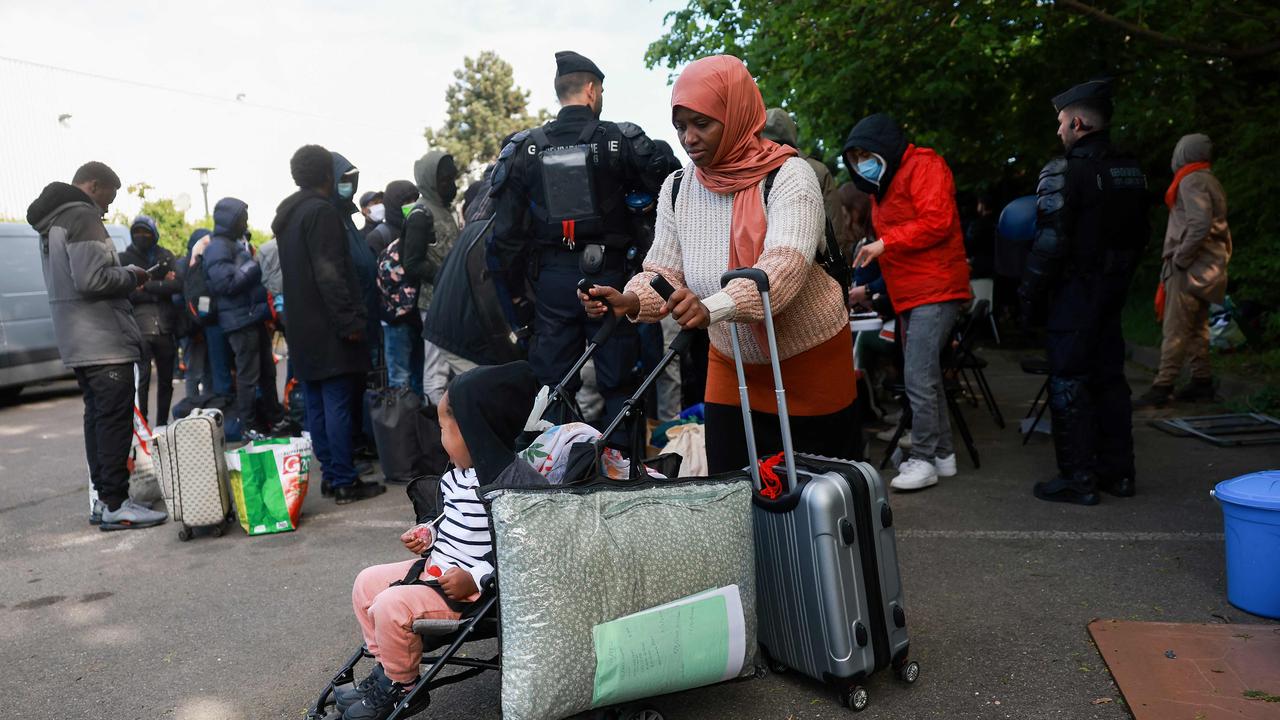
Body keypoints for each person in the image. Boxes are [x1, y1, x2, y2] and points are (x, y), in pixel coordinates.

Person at [582, 54, 860, 471]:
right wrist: (629, 301)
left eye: (702, 123)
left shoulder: (790, 175)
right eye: (680, 127)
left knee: (824, 504)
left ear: (736, 115)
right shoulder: (677, 188)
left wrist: (709, 307)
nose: (689, 138)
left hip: (809, 363)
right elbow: (663, 273)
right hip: (732, 365)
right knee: (733, 494)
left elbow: (783, 270)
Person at [339, 362, 540, 719]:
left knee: (389, 605)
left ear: (477, 433)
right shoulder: (458, 474)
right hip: (436, 567)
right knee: (365, 583)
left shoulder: (512, 486)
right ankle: (387, 669)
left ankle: (403, 685)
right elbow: (450, 517)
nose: (440, 438)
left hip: (469, 590)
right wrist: (429, 532)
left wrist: (476, 578)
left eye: (447, 430)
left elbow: (524, 550)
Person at [491, 50, 666, 430]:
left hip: (552, 282)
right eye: (600, 91)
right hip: (612, 277)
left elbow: (504, 238)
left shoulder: (525, 148)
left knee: (553, 386)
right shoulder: (621, 140)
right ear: (591, 90)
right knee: (620, 382)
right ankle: (622, 467)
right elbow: (670, 192)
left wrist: (520, 300)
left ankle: (562, 469)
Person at [1019, 79, 1150, 505]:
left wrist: (1029, 296)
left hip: (1074, 295)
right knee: (1110, 379)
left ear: (1078, 122)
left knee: (1069, 381)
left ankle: (1078, 478)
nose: (1058, 131)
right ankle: (1120, 474)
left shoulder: (1064, 171)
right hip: (1111, 293)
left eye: (1061, 122)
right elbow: (1141, 236)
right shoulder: (1131, 169)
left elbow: (1050, 244)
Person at [27, 161, 168, 530]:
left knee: (98, 419)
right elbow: (92, 280)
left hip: (78, 338)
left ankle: (104, 502)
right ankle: (116, 504)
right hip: (104, 338)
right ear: (92, 185)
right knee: (112, 422)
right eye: (108, 197)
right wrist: (131, 275)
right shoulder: (82, 216)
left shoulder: (53, 221)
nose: (107, 207)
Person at [843, 112, 972, 492]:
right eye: (856, 157)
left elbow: (938, 221)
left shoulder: (924, 166)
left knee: (918, 377)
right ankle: (943, 454)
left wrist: (885, 243)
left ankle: (925, 458)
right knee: (925, 376)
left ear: (884, 148)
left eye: (866, 153)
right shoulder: (882, 185)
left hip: (936, 289)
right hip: (912, 293)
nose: (861, 162)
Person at [273, 144, 385, 505]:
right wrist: (350, 321)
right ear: (327, 175)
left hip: (302, 325)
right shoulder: (320, 213)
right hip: (329, 326)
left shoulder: (288, 215)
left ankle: (332, 475)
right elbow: (330, 274)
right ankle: (343, 479)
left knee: (318, 404)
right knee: (336, 403)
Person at [1136, 133, 1231, 408]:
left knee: (1176, 328)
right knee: (1197, 327)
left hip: (1189, 268)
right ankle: (1202, 383)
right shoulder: (1209, 179)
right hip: (1209, 267)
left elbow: (1199, 224)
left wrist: (1180, 258)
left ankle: (1162, 386)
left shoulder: (1190, 181)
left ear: (1183, 153)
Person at [200, 198, 286, 440]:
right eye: (243, 218)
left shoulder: (233, 244)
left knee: (267, 373)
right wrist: (253, 266)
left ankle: (274, 418)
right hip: (239, 321)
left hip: (251, 317)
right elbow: (225, 284)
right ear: (232, 220)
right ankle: (250, 426)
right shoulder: (218, 247)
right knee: (249, 376)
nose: (246, 222)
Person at [402, 150, 460, 403]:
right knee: (436, 367)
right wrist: (445, 277)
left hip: (451, 301)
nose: (451, 185)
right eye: (445, 180)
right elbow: (412, 263)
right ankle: (435, 426)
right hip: (434, 302)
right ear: (430, 180)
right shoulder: (420, 214)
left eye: (452, 178)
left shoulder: (444, 211)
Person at [119, 215, 181, 426]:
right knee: (142, 380)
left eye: (146, 232)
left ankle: (162, 425)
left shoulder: (164, 256)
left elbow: (178, 285)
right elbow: (127, 293)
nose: (142, 237)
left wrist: (146, 285)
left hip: (165, 327)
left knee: (165, 381)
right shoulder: (125, 259)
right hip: (140, 328)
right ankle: (143, 424)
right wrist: (160, 284)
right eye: (137, 232)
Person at [371, 180, 424, 395]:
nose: (412, 205)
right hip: (395, 322)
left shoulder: (420, 230)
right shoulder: (379, 236)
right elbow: (373, 281)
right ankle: (403, 427)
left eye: (414, 200)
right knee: (400, 382)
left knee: (420, 378)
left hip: (419, 319)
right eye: (406, 201)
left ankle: (422, 426)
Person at [177, 228, 233, 399]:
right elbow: (189, 297)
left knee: (203, 370)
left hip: (197, 326)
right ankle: (198, 407)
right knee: (198, 371)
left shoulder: (185, 263)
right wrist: (199, 321)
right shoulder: (191, 265)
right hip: (196, 328)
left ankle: (202, 407)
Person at [366, 181, 419, 258]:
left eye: (416, 200)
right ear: (394, 205)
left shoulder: (421, 225)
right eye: (407, 202)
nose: (413, 205)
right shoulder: (377, 238)